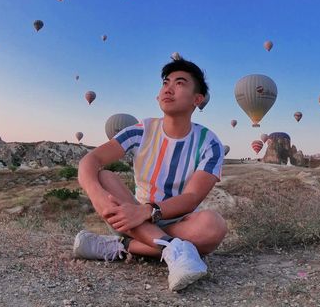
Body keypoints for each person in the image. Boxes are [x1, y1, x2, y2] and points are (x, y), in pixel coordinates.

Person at [73, 58, 227, 292]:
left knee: (213, 227)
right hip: (130, 216)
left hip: (175, 219)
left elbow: (193, 197)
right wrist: (97, 196)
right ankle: (177, 250)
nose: (168, 87)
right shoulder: (141, 130)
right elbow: (90, 161)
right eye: (165, 82)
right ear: (158, 96)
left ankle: (122, 246)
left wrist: (147, 211)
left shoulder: (209, 143)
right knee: (104, 178)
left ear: (198, 99)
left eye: (180, 83)